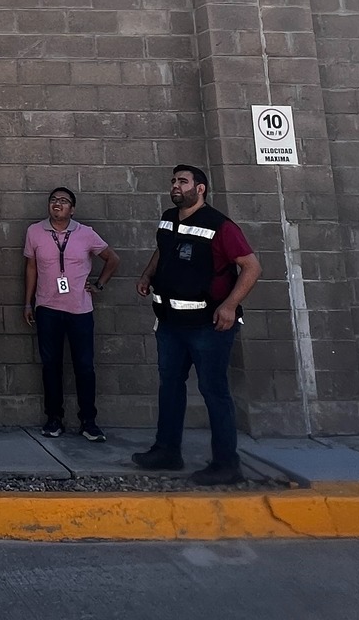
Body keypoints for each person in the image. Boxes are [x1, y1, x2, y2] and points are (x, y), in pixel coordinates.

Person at [133, 164, 262, 485]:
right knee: (170, 386)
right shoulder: (168, 218)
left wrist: (229, 305)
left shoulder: (220, 225)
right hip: (171, 323)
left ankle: (226, 464)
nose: (175, 186)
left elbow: (251, 267)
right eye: (173, 181)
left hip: (208, 325)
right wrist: (148, 274)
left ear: (200, 188)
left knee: (214, 391)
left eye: (183, 181)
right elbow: (163, 249)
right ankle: (167, 451)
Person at [23, 187, 120, 442]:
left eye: (64, 201)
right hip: (47, 309)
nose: (58, 204)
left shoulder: (86, 233)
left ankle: (88, 421)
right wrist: (27, 303)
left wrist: (99, 285)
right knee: (51, 366)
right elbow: (31, 268)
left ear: (72, 209)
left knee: (84, 367)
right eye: (53, 200)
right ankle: (54, 419)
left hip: (80, 310)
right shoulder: (34, 231)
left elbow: (112, 259)